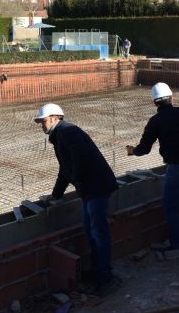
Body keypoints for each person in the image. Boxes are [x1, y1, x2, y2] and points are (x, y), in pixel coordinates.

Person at [34, 103, 121, 297]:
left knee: (99, 233)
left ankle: (105, 277)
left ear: (56, 118)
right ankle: (98, 270)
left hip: (96, 188)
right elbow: (65, 169)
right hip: (90, 190)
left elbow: (79, 162)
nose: (42, 125)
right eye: (40, 122)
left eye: (44, 121)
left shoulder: (68, 132)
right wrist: (56, 194)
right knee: (91, 231)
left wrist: (77, 180)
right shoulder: (60, 136)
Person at [126, 83, 179, 251]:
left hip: (177, 170)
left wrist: (133, 151)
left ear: (154, 102)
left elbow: (144, 149)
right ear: (171, 98)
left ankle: (176, 245)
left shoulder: (155, 121)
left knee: (170, 206)